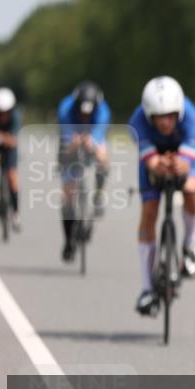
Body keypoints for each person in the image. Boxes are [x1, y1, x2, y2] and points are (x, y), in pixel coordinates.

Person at [128, 76, 195, 315]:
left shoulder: (193, 119)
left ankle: (190, 245)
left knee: (191, 189)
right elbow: (147, 154)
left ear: (179, 112)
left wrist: (182, 163)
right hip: (154, 158)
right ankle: (146, 289)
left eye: (171, 116)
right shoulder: (137, 121)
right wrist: (154, 162)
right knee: (149, 211)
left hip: (186, 155)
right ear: (149, 114)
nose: (165, 123)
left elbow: (192, 147)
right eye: (159, 117)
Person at [57, 81, 112, 261]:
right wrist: (72, 143)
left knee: (103, 155)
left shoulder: (103, 111)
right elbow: (66, 137)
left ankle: (99, 193)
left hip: (92, 137)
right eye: (81, 112)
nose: (84, 116)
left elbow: (99, 133)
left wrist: (92, 142)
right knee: (67, 193)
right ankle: (68, 241)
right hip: (70, 139)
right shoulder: (65, 108)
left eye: (89, 113)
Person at [0, 87, 22, 231]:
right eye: (0, 112)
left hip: (9, 148)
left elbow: (14, 140)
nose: (3, 115)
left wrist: (2, 138)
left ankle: (15, 213)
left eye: (6, 112)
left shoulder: (15, 117)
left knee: (12, 176)